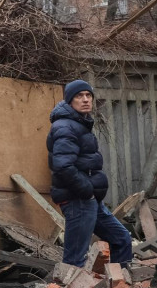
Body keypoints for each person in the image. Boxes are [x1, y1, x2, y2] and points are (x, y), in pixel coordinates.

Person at [47, 79, 132, 267]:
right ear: (70, 101)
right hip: (79, 200)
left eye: (88, 95)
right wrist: (87, 190)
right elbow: (62, 166)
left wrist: (91, 195)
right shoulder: (65, 127)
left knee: (121, 239)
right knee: (74, 261)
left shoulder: (80, 123)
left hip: (90, 200)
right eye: (79, 96)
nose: (85, 99)